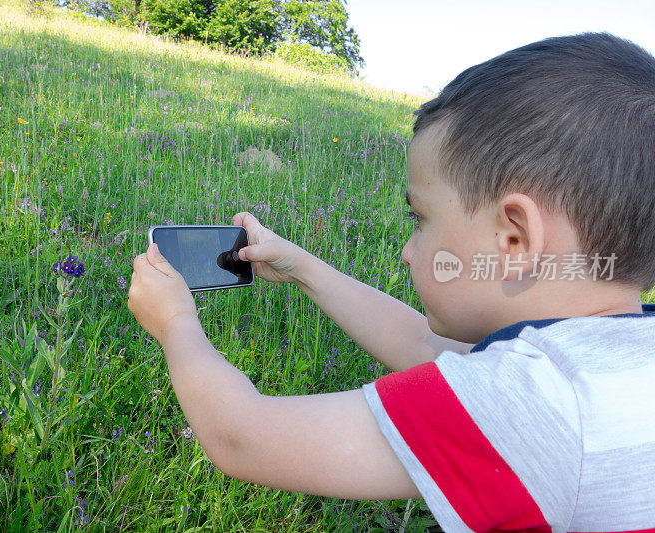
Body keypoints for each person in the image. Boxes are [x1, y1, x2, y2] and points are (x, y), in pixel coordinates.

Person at [127, 32, 655, 531]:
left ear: (513, 241)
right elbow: (419, 343)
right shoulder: (612, 364)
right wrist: (302, 267)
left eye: (420, 220)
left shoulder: (535, 404)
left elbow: (242, 437)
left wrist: (175, 323)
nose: (407, 251)